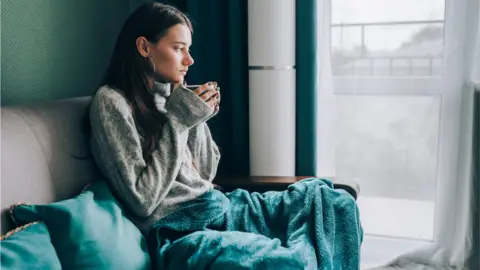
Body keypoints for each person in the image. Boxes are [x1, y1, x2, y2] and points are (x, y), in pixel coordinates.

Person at [87, 2, 362, 269]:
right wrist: (180, 121)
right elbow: (142, 201)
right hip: (180, 230)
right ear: (144, 47)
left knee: (333, 203)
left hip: (223, 207)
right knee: (283, 263)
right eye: (178, 49)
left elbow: (205, 174)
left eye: (188, 50)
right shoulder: (112, 102)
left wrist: (197, 118)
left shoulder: (170, 95)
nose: (189, 60)